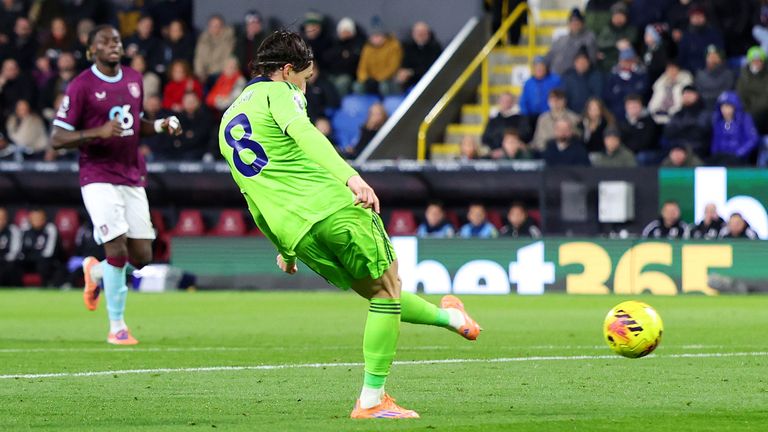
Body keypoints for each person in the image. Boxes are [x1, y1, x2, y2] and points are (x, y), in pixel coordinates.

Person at [218, 30, 481, 418]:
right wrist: (352, 178)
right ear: (288, 71)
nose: (306, 88)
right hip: (334, 208)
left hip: (299, 233)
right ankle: (372, 399)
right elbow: (306, 134)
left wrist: (285, 248)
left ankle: (454, 319)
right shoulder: (281, 93)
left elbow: (252, 198)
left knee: (380, 294)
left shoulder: (228, 120)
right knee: (388, 291)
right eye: (305, 79)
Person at [50, 25, 183, 345]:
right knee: (117, 247)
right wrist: (96, 133)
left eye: (117, 41)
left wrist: (162, 125)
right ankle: (117, 326)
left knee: (142, 256)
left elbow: (134, 127)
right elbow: (57, 137)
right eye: (105, 42)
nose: (113, 45)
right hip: (97, 176)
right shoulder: (81, 86)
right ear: (91, 50)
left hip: (131, 174)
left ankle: (95, 273)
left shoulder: (133, 80)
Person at [355, 19, 403, 96]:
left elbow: (393, 67)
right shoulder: (367, 48)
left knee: (383, 86)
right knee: (358, 86)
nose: (375, 39)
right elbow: (362, 68)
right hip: (371, 80)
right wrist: (366, 79)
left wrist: (377, 79)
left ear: (384, 36)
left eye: (378, 36)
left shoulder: (394, 46)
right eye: (373, 36)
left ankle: (387, 105)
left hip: (387, 79)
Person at [544, 8, 597, 76]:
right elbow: (549, 56)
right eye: (572, 21)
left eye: (577, 21)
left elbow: (591, 61)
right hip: (554, 77)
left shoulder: (588, 39)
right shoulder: (561, 39)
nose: (574, 24)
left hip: (574, 78)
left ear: (582, 23)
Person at [710, 91, 759, 165]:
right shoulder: (718, 121)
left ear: (735, 106)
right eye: (722, 106)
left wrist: (739, 153)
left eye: (728, 106)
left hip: (739, 159)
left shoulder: (745, 119)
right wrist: (716, 156)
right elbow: (715, 142)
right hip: (721, 159)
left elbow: (753, 139)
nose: (724, 109)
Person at [19, 209, 64, 287]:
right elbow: (21, 250)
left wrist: (34, 256)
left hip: (46, 260)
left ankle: (46, 286)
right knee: (15, 264)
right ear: (30, 219)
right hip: (30, 260)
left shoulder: (50, 229)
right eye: (34, 218)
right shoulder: (25, 230)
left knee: (44, 264)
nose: (37, 220)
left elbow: (49, 252)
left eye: (39, 218)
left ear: (44, 218)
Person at [663, 85, 710, 159]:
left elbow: (699, 133)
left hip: (696, 150)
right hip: (677, 150)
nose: (686, 96)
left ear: (696, 96)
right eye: (684, 93)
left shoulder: (704, 114)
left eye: (689, 93)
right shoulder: (678, 114)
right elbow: (669, 132)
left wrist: (681, 129)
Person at [322, 17, 365, 96]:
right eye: (342, 31)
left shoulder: (357, 44)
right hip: (333, 74)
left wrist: (339, 57)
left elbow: (352, 61)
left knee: (342, 83)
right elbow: (327, 58)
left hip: (348, 76)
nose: (344, 33)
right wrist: (341, 54)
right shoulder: (335, 44)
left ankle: (339, 105)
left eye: (347, 31)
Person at [603, 47, 649, 119]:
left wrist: (621, 90)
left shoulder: (641, 74)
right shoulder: (613, 76)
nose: (627, 63)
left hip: (637, 114)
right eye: (624, 60)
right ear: (620, 61)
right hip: (617, 114)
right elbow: (608, 95)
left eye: (629, 60)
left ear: (634, 60)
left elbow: (641, 91)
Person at [677, 6, 724, 73]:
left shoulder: (714, 33)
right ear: (690, 19)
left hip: (713, 70)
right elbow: (682, 58)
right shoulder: (686, 36)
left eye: (700, 16)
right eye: (695, 17)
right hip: (692, 72)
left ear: (704, 17)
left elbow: (720, 53)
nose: (697, 19)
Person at [396, 21, 442, 91]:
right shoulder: (406, 47)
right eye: (417, 32)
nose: (420, 34)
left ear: (428, 33)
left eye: (423, 32)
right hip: (410, 84)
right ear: (412, 33)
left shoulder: (435, 48)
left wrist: (411, 72)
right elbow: (403, 65)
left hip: (430, 83)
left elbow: (432, 68)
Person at [194, 14, 235, 85]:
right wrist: (200, 73)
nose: (214, 28)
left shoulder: (228, 40)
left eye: (217, 26)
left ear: (222, 27)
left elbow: (226, 59)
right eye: (211, 25)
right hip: (204, 76)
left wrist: (211, 72)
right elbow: (198, 58)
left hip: (220, 75)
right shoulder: (203, 39)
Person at [595, 2, 638, 71]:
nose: (618, 19)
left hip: (628, 65)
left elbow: (631, 40)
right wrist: (616, 43)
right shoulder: (607, 29)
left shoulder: (631, 28)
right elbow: (600, 42)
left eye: (621, 16)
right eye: (616, 16)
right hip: (609, 64)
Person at [736, 46, 768, 135]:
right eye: (754, 60)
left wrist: (752, 110)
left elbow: (766, 99)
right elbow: (740, 95)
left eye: (759, 60)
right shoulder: (743, 75)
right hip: (748, 112)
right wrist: (747, 111)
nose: (756, 63)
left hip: (763, 112)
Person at [617, 94, 660, 160]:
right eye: (630, 107)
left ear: (641, 106)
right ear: (626, 107)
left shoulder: (649, 121)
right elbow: (621, 141)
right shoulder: (622, 123)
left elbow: (647, 142)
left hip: (645, 152)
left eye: (635, 106)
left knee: (641, 157)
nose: (633, 109)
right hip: (627, 152)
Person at [696, 45, 735, 111]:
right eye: (710, 56)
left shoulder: (728, 74)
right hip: (704, 109)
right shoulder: (700, 75)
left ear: (720, 58)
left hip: (724, 108)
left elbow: (727, 93)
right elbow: (699, 94)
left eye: (715, 56)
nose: (712, 59)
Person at [235, 10, 267, 78]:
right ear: (246, 26)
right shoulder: (240, 41)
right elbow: (236, 59)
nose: (253, 26)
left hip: (259, 74)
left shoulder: (265, 40)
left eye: (256, 23)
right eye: (250, 23)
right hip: (242, 75)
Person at [0, 207, 22, 287]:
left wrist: (4, 259)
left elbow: (15, 251)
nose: (0, 221)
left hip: (8, 260)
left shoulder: (13, 230)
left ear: (6, 219)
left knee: (11, 266)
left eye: (2, 218)